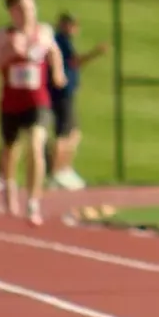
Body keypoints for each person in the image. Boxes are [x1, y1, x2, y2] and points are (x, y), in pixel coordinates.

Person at [0, 0, 65, 226]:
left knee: (37, 145)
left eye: (30, 7)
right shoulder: (2, 35)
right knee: (10, 151)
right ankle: (9, 188)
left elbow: (54, 51)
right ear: (12, 12)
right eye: (21, 9)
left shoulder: (44, 32)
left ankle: (33, 201)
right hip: (11, 102)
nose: (28, 13)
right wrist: (7, 53)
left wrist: (58, 72)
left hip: (37, 101)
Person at [45, 12, 108, 191]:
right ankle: (56, 173)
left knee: (73, 133)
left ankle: (64, 169)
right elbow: (74, 62)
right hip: (61, 93)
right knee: (63, 134)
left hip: (66, 93)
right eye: (72, 25)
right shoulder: (60, 41)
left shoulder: (64, 41)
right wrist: (95, 53)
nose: (75, 29)